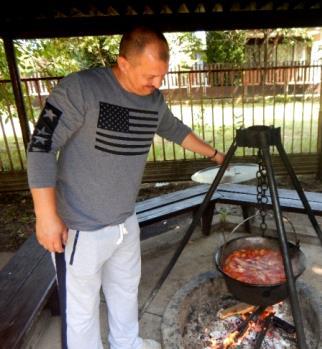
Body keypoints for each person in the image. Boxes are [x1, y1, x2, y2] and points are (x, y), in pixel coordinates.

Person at [27, 26, 225, 349]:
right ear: (123, 63)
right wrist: (45, 215)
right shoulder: (80, 89)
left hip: (124, 222)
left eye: (162, 76)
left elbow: (175, 130)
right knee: (81, 312)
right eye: (150, 76)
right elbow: (41, 144)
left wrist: (216, 154)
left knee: (124, 292)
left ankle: (127, 344)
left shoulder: (153, 100)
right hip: (79, 229)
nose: (157, 84)